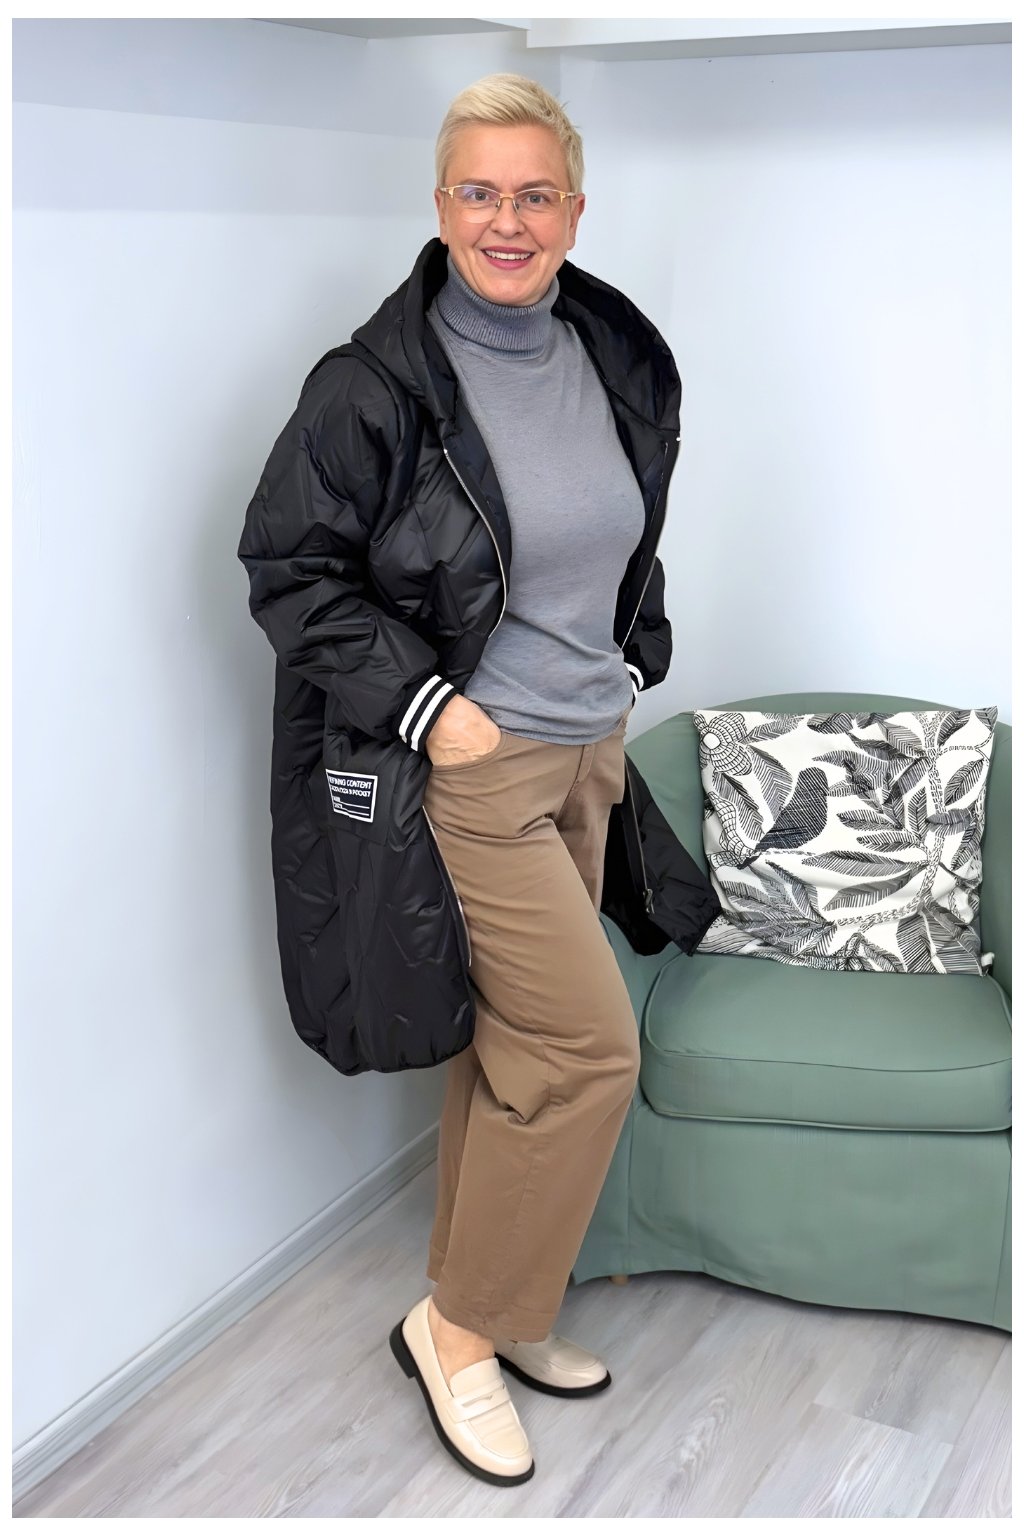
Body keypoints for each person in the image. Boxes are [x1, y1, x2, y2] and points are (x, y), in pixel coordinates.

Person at [237, 73, 721, 1488]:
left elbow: (614, 531)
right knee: (588, 1052)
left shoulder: (607, 352)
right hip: (476, 773)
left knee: (515, 1050)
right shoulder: (372, 387)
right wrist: (430, 708)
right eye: (478, 192)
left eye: (534, 194)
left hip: (590, 757)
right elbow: (288, 570)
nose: (507, 221)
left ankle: (490, 1308)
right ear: (439, 204)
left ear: (576, 208)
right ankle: (455, 1331)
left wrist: (632, 649)